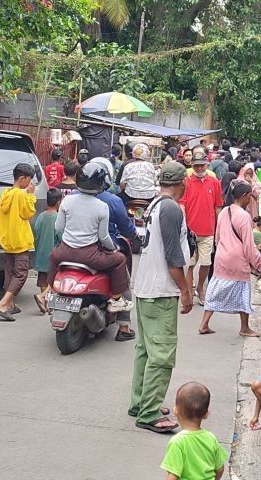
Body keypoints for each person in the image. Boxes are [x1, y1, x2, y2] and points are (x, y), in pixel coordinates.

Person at [129, 161, 193, 434]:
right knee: (162, 354)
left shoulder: (156, 204)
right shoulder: (170, 208)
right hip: (160, 290)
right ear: (183, 183)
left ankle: (141, 402)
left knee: (146, 350)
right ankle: (149, 412)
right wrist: (186, 290)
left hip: (146, 286)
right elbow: (173, 256)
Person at [48, 163, 133, 313]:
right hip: (89, 256)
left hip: (63, 252)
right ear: (101, 183)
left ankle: (49, 292)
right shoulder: (102, 206)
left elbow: (58, 228)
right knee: (120, 259)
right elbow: (103, 236)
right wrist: (114, 249)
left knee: (53, 257)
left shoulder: (67, 200)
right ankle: (117, 299)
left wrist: (67, 240)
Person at [150, 382, 226, 480]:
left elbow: (173, 477)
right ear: (206, 414)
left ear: (176, 410)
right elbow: (220, 469)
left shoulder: (177, 442)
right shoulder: (211, 438)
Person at [198, 182, 261, 337]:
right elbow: (249, 247)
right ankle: (244, 328)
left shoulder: (224, 212)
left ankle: (204, 324)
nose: (251, 198)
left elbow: (217, 237)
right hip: (237, 261)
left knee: (214, 291)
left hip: (221, 258)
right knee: (243, 293)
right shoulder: (244, 217)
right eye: (250, 195)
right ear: (244, 196)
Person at [96, 165, 139, 342]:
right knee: (123, 280)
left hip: (71, 249)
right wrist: (132, 233)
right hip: (104, 249)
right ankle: (124, 326)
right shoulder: (112, 201)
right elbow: (124, 227)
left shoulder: (72, 198)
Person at [0, 163, 37, 321]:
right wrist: (30, 195)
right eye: (29, 180)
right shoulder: (19, 194)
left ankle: (10, 303)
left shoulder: (6, 193)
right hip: (20, 240)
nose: (30, 184)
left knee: (10, 272)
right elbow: (28, 213)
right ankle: (2, 305)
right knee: (21, 273)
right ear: (22, 178)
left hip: (8, 240)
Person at [181, 152, 223, 306]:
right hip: (190, 231)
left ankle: (200, 287)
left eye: (202, 165)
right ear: (192, 165)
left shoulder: (214, 182)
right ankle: (189, 291)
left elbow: (218, 206)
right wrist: (184, 225)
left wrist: (219, 228)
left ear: (207, 164)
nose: (199, 168)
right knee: (190, 264)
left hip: (208, 230)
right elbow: (182, 204)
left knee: (206, 263)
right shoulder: (186, 182)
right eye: (196, 165)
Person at [32, 188, 62, 313]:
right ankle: (47, 302)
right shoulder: (58, 218)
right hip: (53, 255)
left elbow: (36, 231)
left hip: (41, 253)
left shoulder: (41, 216)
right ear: (59, 203)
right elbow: (61, 235)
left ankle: (44, 302)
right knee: (54, 280)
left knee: (43, 279)